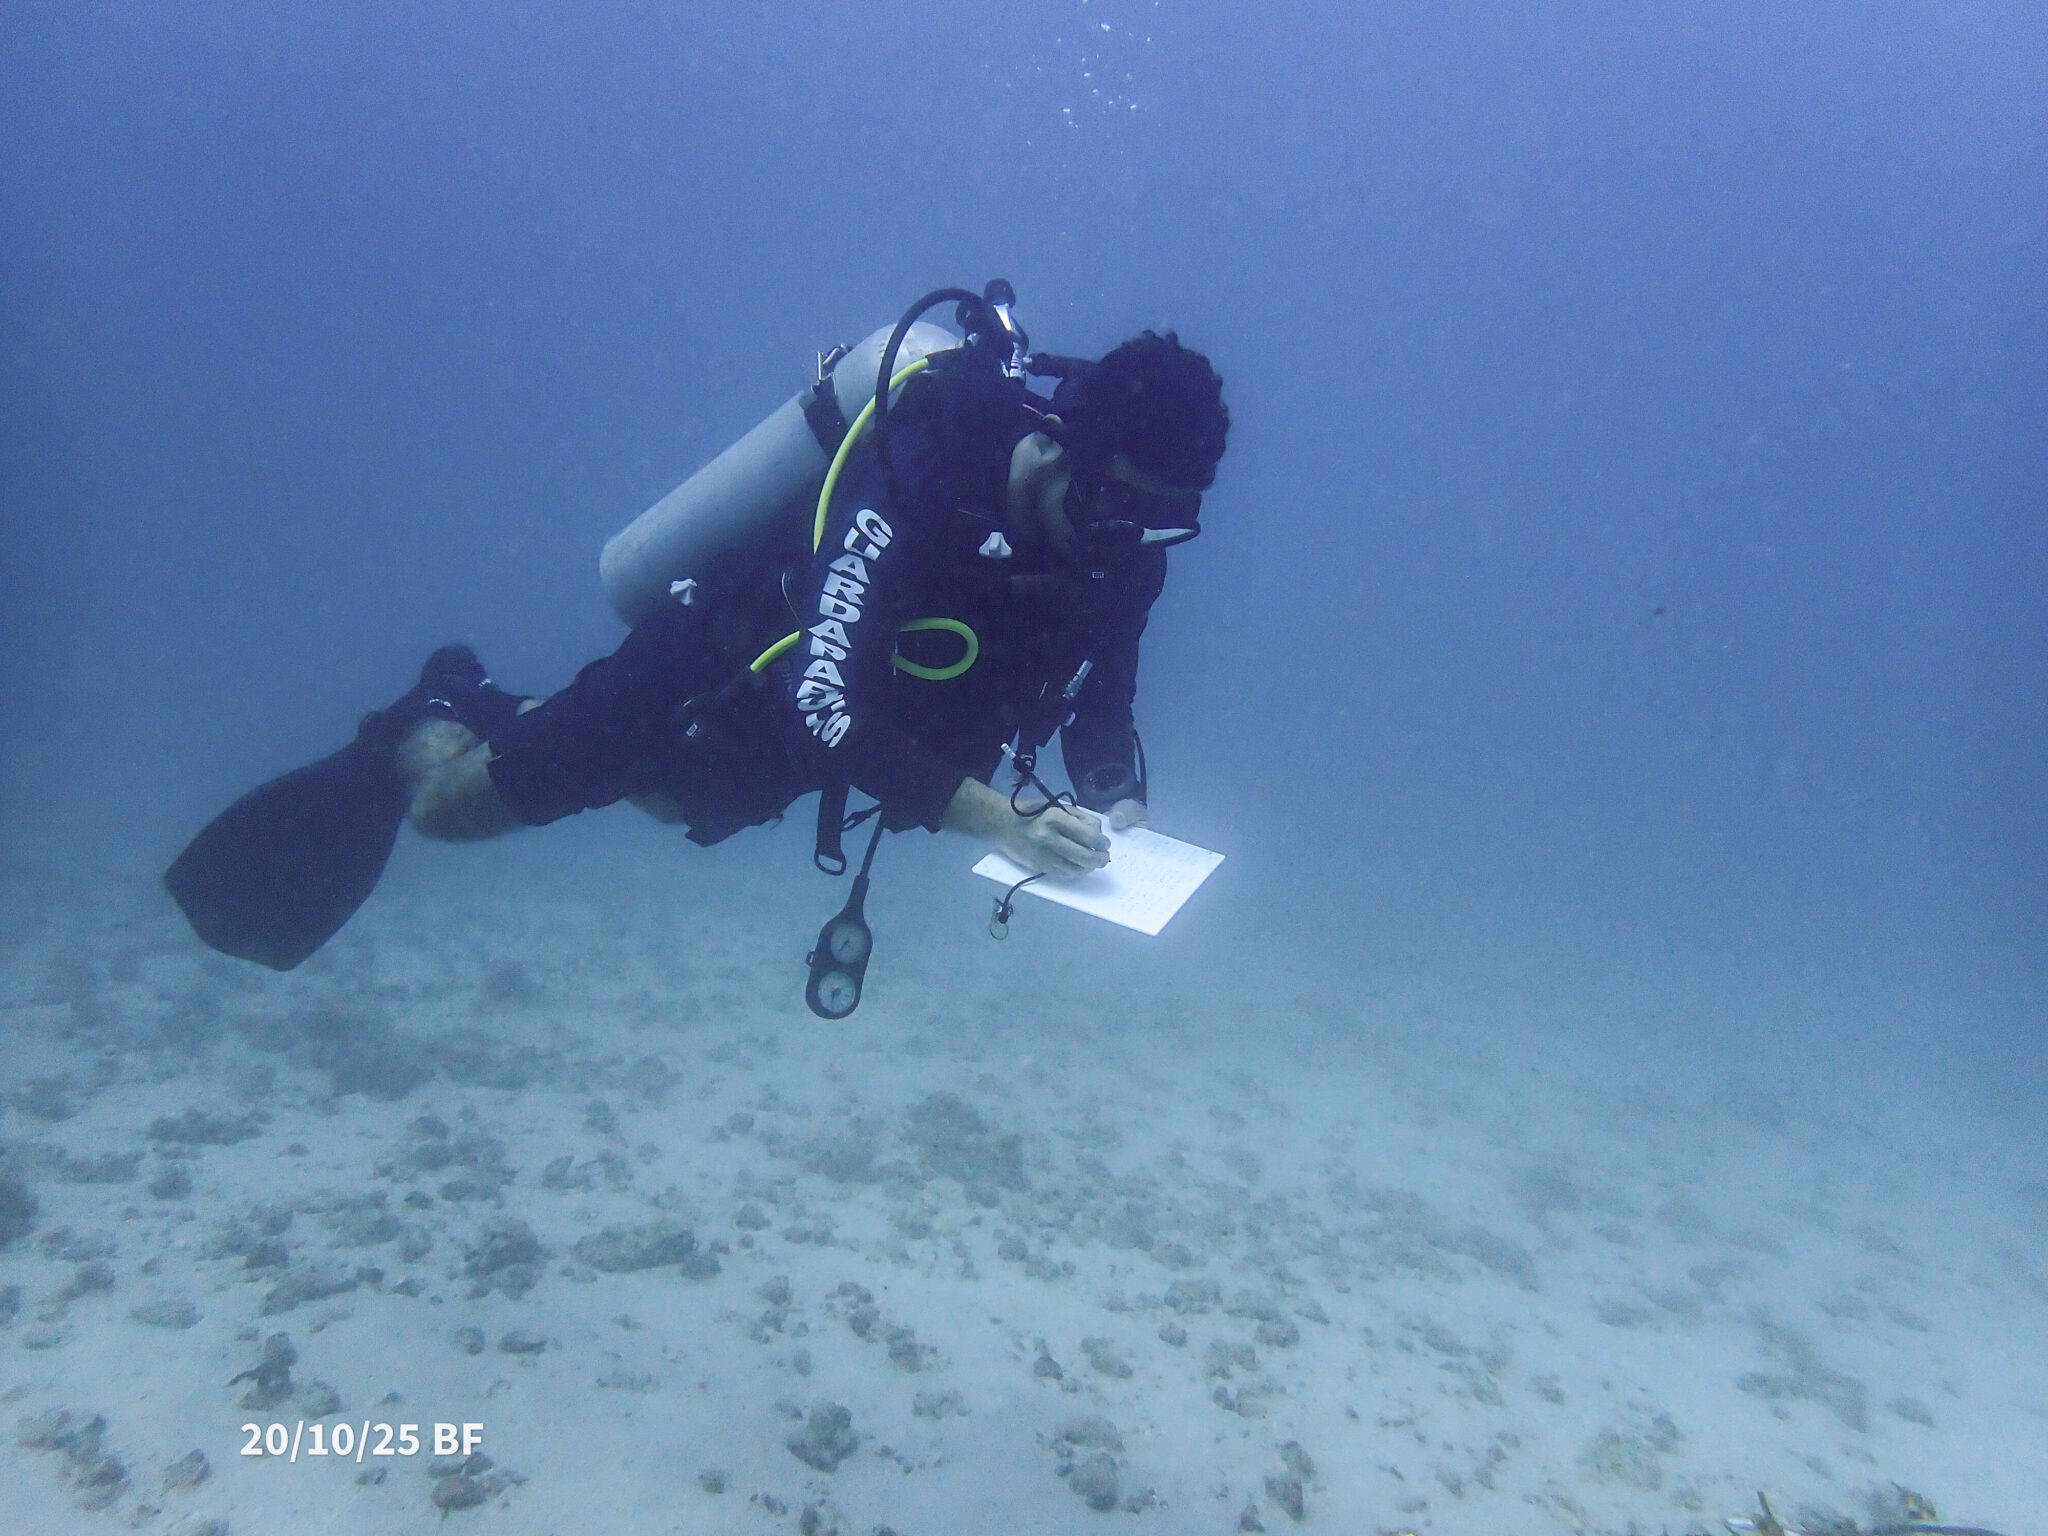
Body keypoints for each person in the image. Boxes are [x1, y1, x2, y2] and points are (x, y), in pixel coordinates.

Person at [164, 319, 1229, 976]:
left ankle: (497, 713)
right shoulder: (926, 472)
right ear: (1055, 443)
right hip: (719, 656)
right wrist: (994, 817)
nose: (1117, 542)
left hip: (843, 733)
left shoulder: (1122, 557)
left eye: (1151, 522)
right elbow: (823, 691)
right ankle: (439, 707)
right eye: (1103, 504)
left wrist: (1118, 811)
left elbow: (1104, 708)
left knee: (671, 803)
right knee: (449, 817)